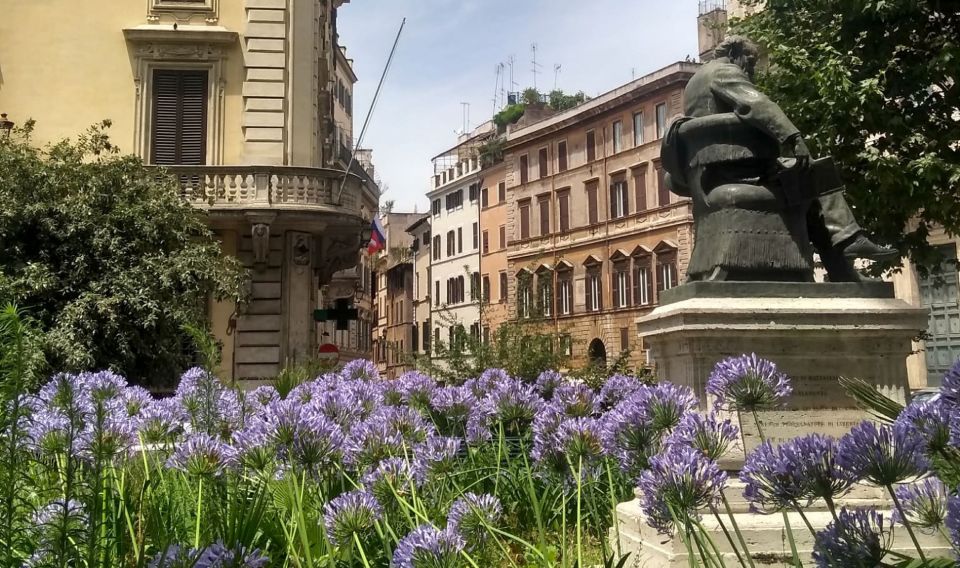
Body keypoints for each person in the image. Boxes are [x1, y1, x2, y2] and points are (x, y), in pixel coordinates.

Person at [680, 35, 896, 278]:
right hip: (736, 168)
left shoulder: (693, 84)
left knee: (805, 186)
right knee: (815, 174)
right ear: (734, 53)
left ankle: (844, 259)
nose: (751, 69)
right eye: (749, 61)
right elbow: (759, 104)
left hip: (711, 172)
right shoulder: (724, 71)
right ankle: (848, 245)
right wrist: (792, 137)